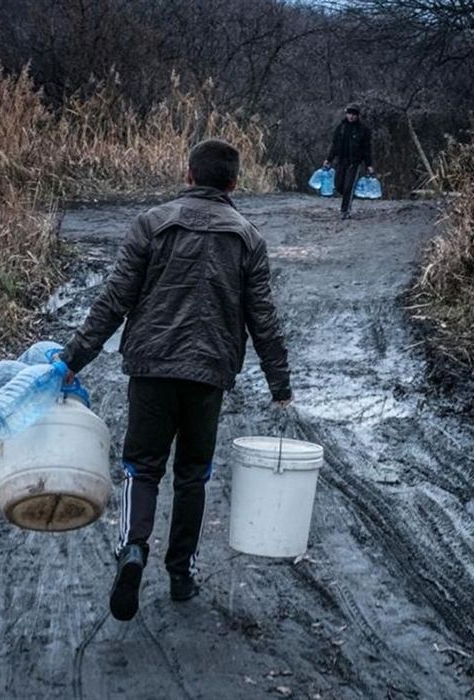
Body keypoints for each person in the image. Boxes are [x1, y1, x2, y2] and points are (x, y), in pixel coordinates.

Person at [60, 138, 293, 622]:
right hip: (208, 375)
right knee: (193, 474)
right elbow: (263, 319)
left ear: (188, 175)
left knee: (142, 466)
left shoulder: (151, 224)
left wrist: (72, 359)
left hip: (151, 366)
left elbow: (114, 299)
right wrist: (280, 385)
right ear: (233, 183)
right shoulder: (248, 238)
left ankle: (132, 549)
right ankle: (181, 573)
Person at [323, 103, 375, 220]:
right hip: (341, 161)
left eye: (354, 114)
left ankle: (345, 210)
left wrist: (369, 164)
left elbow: (367, 149)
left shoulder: (363, 130)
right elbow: (334, 146)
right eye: (349, 114)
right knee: (338, 185)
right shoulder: (340, 128)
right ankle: (349, 197)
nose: (351, 116)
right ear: (346, 114)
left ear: (357, 116)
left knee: (348, 187)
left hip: (354, 163)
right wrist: (329, 159)